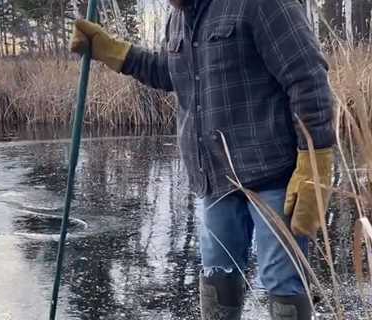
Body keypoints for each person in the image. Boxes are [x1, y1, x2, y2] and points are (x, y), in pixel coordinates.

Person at [70, 0, 335, 319]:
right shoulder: (178, 17)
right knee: (218, 277)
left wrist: (315, 160)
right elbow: (171, 73)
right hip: (213, 177)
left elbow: (307, 76)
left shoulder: (261, 4)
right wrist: (112, 50)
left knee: (283, 283)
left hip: (273, 174)